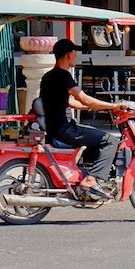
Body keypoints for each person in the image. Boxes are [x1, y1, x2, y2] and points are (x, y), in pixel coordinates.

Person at [39, 39, 126, 200]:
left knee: (95, 139)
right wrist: (113, 106)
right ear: (67, 55)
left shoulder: (48, 76)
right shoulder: (63, 76)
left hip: (55, 129)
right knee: (110, 140)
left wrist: (94, 107)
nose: (76, 56)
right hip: (65, 130)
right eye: (74, 53)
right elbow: (85, 99)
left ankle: (80, 178)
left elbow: (70, 102)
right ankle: (91, 181)